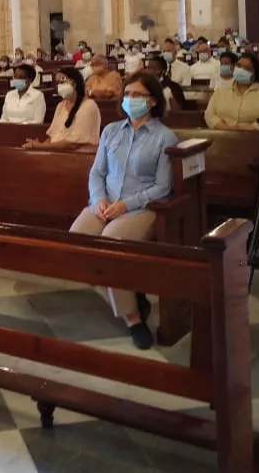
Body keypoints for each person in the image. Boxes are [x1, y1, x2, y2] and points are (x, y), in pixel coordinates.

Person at [69, 72, 179, 349]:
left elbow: (163, 187)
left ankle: (133, 318)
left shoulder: (164, 137)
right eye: (127, 94)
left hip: (141, 207)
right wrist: (99, 200)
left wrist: (125, 204)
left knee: (110, 244)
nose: (130, 99)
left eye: (138, 95)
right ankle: (130, 295)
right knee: (74, 245)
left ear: (152, 101)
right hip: (105, 203)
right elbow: (97, 173)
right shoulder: (111, 131)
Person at [24, 67, 101, 151]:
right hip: (57, 154)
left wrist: (41, 147)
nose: (59, 86)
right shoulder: (61, 105)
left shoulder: (89, 106)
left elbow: (73, 145)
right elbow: (52, 136)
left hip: (77, 158)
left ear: (74, 84)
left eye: (62, 81)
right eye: (57, 83)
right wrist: (38, 147)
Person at [205, 52, 259, 130]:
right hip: (221, 135)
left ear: (255, 72)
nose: (241, 70)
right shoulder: (220, 91)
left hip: (254, 137)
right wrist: (225, 128)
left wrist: (247, 128)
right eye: (238, 66)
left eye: (247, 68)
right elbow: (209, 114)